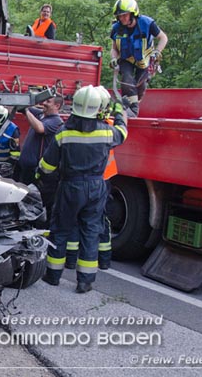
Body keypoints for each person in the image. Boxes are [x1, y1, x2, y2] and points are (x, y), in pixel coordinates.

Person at [37, 85, 127, 293]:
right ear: (98, 109)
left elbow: (47, 166)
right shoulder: (106, 131)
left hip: (70, 186)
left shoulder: (63, 133)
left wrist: (40, 175)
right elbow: (122, 133)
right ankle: (85, 281)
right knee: (90, 231)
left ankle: (53, 276)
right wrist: (118, 112)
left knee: (60, 230)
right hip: (96, 186)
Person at [65, 87, 118, 270]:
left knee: (78, 220)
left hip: (93, 179)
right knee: (97, 223)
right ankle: (103, 261)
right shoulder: (108, 126)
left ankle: (72, 260)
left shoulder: (97, 126)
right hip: (101, 180)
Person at [110, 0, 167, 117]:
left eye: (124, 15)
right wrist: (114, 58)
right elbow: (114, 48)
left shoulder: (147, 23)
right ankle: (133, 112)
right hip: (126, 59)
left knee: (140, 86)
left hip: (144, 60)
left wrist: (157, 52)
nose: (122, 18)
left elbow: (163, 38)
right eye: (119, 16)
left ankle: (130, 106)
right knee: (126, 80)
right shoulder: (116, 28)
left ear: (133, 13)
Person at [16, 94, 64, 225]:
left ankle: (39, 231)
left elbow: (39, 128)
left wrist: (25, 111)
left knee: (37, 204)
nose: (45, 103)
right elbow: (30, 109)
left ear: (57, 106)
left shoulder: (56, 121)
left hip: (37, 173)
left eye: (48, 101)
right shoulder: (42, 115)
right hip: (27, 170)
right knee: (25, 203)